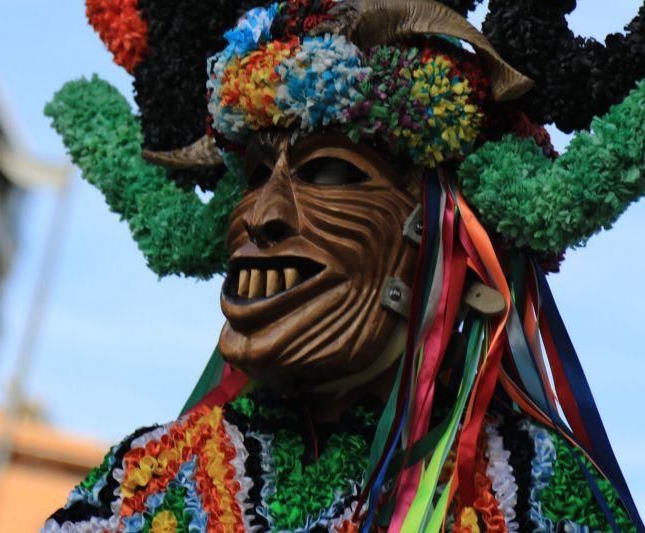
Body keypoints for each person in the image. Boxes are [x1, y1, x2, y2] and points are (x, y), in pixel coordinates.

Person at [43, 0, 645, 530]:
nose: (263, 216)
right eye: (255, 177)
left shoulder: (539, 494)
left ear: (439, 235)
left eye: (330, 171)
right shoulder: (137, 488)